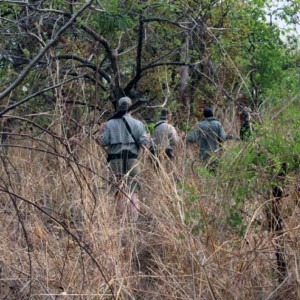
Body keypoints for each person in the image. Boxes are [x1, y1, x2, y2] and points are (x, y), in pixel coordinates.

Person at [98, 96, 150, 221]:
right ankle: (133, 222)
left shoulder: (109, 123)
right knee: (133, 192)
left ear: (118, 107)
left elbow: (103, 142)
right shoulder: (138, 124)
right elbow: (144, 143)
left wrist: (101, 132)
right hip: (133, 160)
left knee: (119, 192)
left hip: (115, 161)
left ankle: (121, 222)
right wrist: (147, 137)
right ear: (131, 108)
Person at [186, 107, 226, 172]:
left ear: (204, 115)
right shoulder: (218, 124)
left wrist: (185, 137)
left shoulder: (200, 125)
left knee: (205, 173)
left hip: (203, 155)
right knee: (215, 172)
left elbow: (191, 138)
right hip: (215, 154)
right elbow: (223, 138)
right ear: (212, 114)